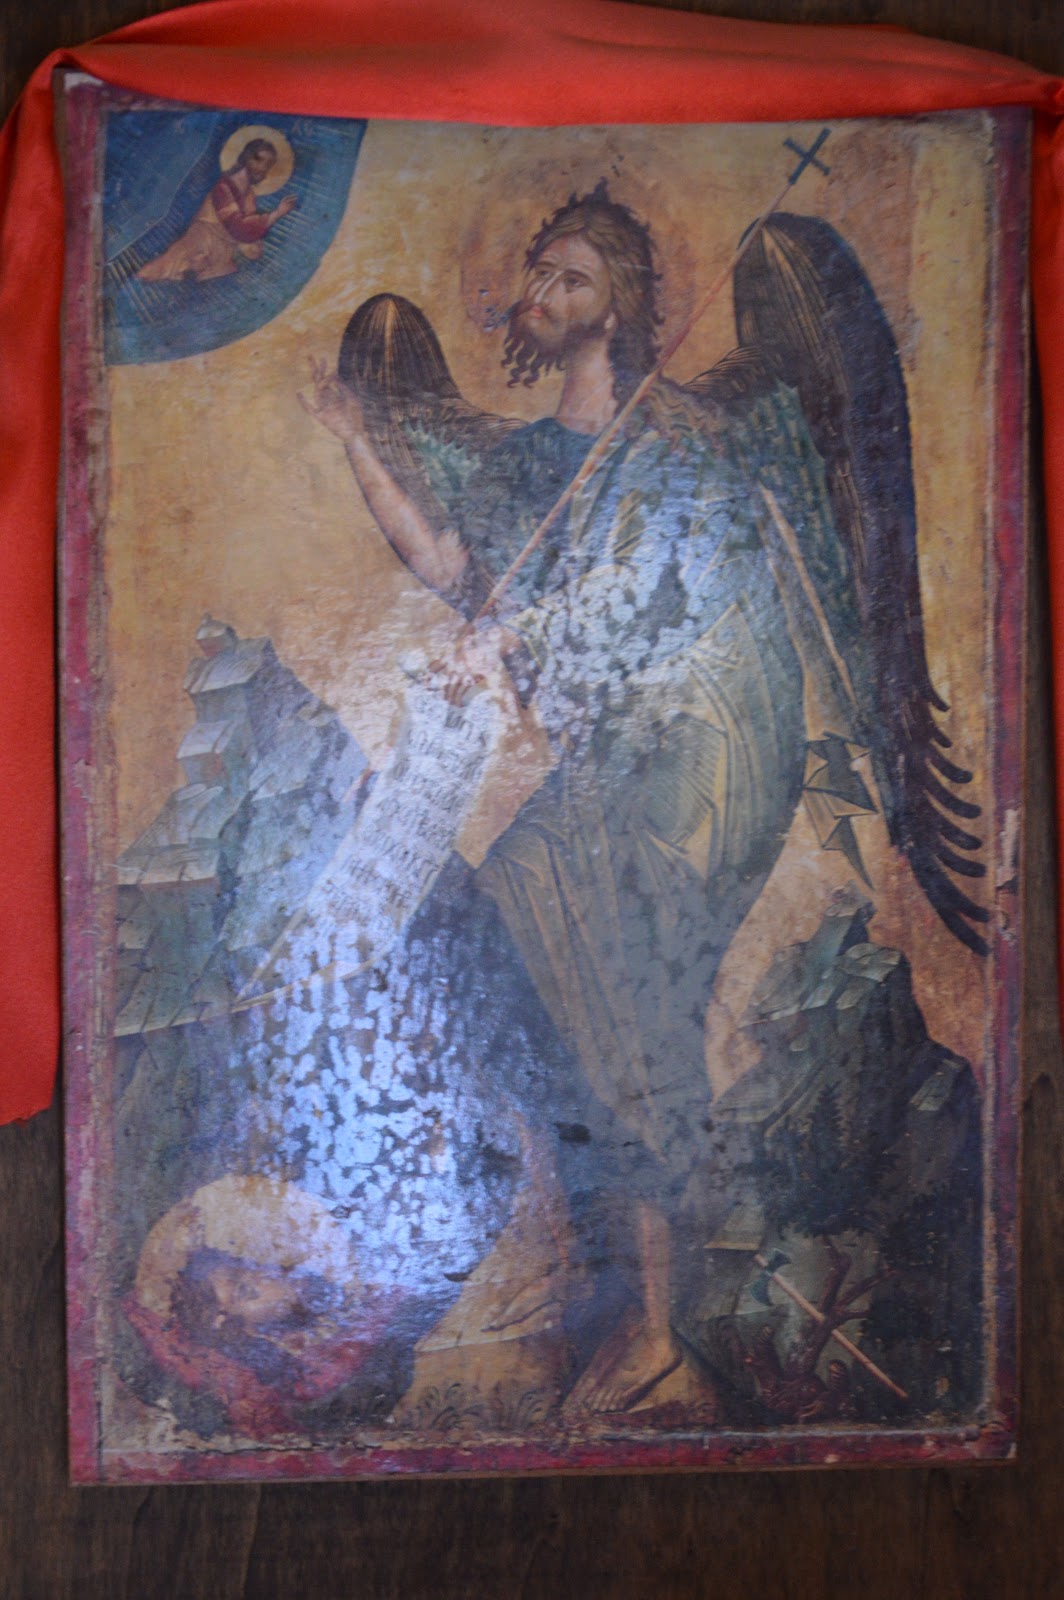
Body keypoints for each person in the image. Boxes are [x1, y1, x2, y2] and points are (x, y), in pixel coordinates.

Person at [300, 185, 810, 1414]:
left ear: (617, 307)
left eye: (571, 277)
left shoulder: (675, 437)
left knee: (599, 959)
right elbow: (451, 569)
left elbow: (647, 590)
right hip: (614, 758)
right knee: (530, 953)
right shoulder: (535, 459)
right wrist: (357, 439)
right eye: (538, 273)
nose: (543, 294)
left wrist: (512, 636)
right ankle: (616, 1305)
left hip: (700, 744)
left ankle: (658, 1329)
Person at [137, 137, 297, 283]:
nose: (263, 169)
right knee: (160, 270)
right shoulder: (224, 188)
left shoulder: (249, 195)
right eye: (259, 160)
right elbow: (239, 228)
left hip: (223, 251)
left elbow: (248, 231)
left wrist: (252, 245)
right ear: (246, 158)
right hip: (201, 242)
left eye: (268, 165)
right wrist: (277, 214)